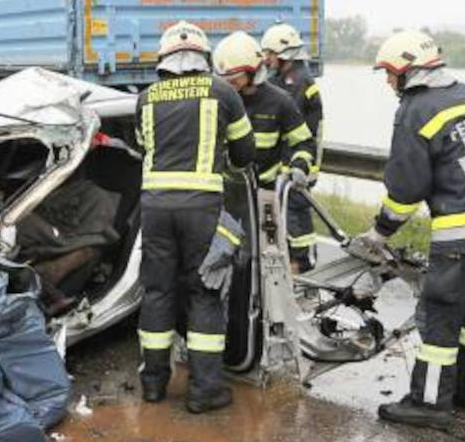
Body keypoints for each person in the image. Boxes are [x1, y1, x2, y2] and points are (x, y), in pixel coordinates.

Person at [349, 30, 465, 429]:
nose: (387, 83)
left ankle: (430, 404)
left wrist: (379, 233)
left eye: (389, 74)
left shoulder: (416, 110)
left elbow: (406, 188)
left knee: (439, 317)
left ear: (408, 72)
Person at [136, 21, 255, 413]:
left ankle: (153, 384)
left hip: (154, 209)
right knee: (204, 292)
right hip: (201, 209)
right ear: (204, 58)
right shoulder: (222, 92)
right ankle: (204, 390)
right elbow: (244, 154)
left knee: (157, 293)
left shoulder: (146, 98)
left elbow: (142, 145)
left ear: (163, 59)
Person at [212, 31, 316, 196]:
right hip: (225, 191)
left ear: (253, 72)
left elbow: (304, 143)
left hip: (265, 191)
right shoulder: (218, 101)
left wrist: (299, 165)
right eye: (224, 80)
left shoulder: (280, 101)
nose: (229, 85)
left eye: (234, 79)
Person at [262, 23, 324, 272]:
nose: (266, 59)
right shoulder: (284, 78)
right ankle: (294, 262)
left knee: (297, 215)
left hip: (300, 163)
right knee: (286, 215)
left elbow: (288, 125)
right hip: (287, 162)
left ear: (283, 54)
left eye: (269, 54)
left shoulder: (298, 82)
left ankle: (302, 265)